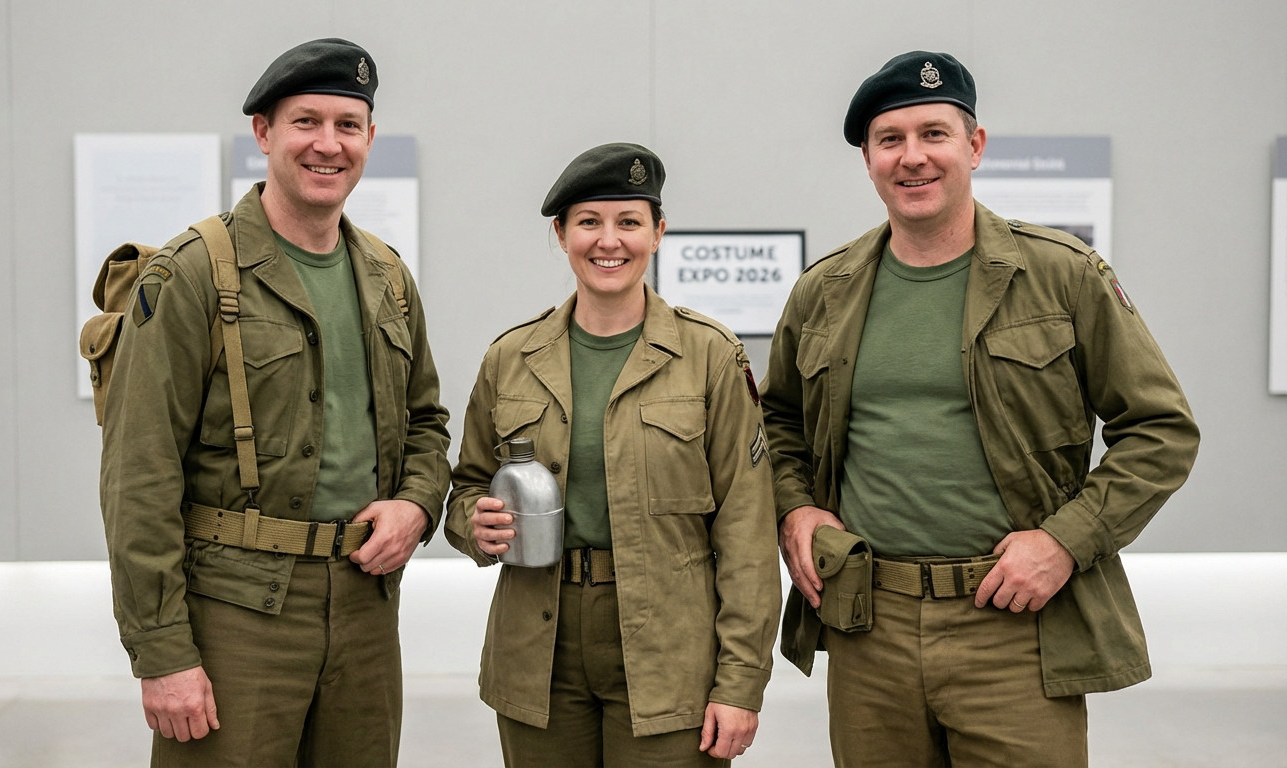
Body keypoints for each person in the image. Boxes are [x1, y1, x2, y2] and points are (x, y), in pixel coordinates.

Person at [761, 51, 1199, 766]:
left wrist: (1063, 542)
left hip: (1014, 628)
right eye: (890, 140)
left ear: (975, 145)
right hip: (869, 627)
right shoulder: (826, 292)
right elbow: (778, 420)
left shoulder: (1060, 275)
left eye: (933, 134)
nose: (913, 158)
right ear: (868, 159)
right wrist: (794, 507)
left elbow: (1160, 430)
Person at [98, 38, 450, 766]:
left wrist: (417, 505)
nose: (329, 144)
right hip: (238, 612)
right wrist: (162, 652)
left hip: (364, 608)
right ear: (263, 133)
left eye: (348, 126)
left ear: (370, 138)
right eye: (306, 122)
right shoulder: (193, 274)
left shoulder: (387, 276)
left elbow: (426, 424)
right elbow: (140, 472)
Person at [445, 143, 781, 766]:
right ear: (561, 233)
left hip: (670, 651)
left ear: (658, 232)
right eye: (589, 222)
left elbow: (747, 529)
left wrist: (740, 682)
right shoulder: (511, 358)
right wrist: (475, 523)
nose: (610, 241)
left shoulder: (711, 356)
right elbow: (467, 485)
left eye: (629, 222)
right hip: (538, 650)